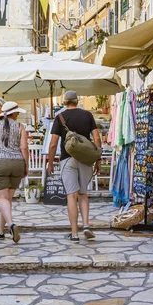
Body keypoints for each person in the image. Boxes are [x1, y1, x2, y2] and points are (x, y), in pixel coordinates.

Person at [48, 90, 101, 243]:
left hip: (67, 158)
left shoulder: (60, 117)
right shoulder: (88, 115)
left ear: (64, 102)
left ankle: (75, 234)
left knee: (72, 195)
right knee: (83, 194)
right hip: (85, 158)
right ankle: (86, 225)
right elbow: (96, 137)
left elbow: (53, 144)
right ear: (77, 101)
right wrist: (98, 159)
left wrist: (50, 163)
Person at [0, 101, 29, 243]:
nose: (18, 114)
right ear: (13, 113)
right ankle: (0, 230)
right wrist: (26, 165)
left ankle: (11, 224)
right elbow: (24, 148)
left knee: (2, 198)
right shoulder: (20, 127)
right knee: (7, 199)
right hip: (17, 163)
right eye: (17, 112)